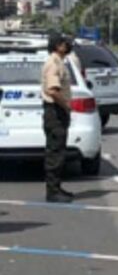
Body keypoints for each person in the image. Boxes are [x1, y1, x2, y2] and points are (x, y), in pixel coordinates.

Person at [42, 34, 75, 203]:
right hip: (54, 112)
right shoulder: (53, 64)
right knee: (55, 152)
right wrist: (66, 105)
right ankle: (52, 191)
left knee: (60, 150)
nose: (67, 45)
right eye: (64, 43)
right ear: (57, 46)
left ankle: (57, 187)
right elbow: (53, 91)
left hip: (58, 112)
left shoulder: (60, 62)